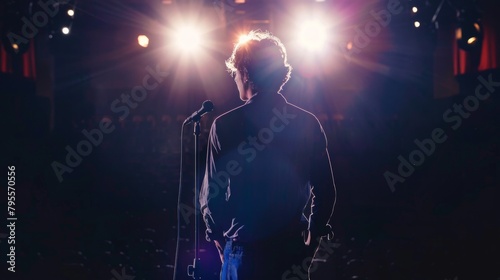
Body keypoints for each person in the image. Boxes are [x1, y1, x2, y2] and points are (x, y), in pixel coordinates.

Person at [199, 30, 336, 280]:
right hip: (289, 249)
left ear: (245, 72)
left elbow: (211, 197)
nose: (235, 79)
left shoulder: (224, 125)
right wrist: (311, 241)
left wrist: (221, 242)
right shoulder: (307, 122)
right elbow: (326, 191)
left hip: (243, 252)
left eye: (235, 73)